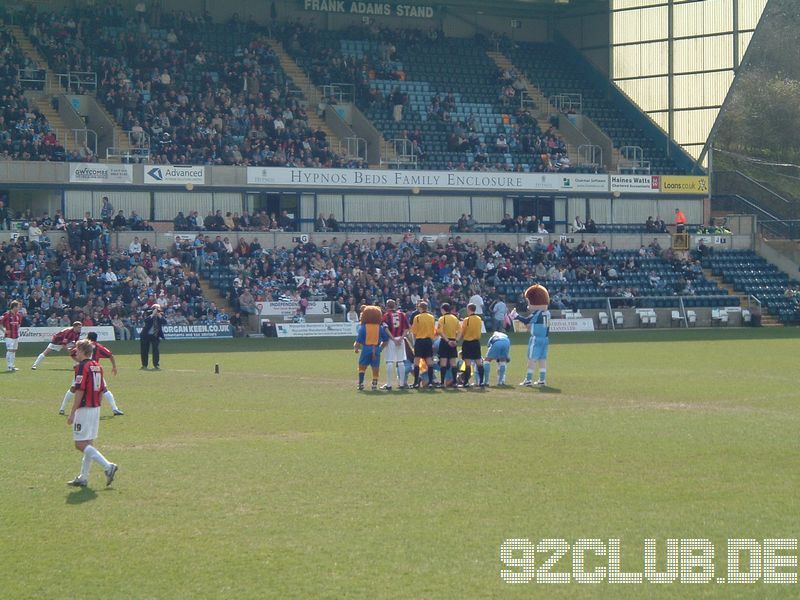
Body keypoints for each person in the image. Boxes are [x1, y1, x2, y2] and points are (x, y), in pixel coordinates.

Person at [66, 339, 118, 488]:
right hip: (95, 408)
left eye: (77, 349)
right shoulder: (97, 366)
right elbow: (101, 389)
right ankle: (83, 477)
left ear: (82, 351)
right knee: (88, 443)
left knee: (80, 444)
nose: (75, 351)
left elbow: (80, 390)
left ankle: (108, 466)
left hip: (84, 409)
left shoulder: (82, 367)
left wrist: (73, 412)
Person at [60, 332, 123, 416]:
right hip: (94, 369)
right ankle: (114, 409)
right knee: (104, 389)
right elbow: (110, 355)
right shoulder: (98, 346)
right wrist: (114, 366)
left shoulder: (83, 346)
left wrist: (79, 361)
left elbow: (72, 353)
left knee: (74, 388)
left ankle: (62, 408)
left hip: (82, 369)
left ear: (87, 337)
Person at [513, 284, 551, 386]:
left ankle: (528, 379)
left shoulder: (537, 313)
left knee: (531, 359)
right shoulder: (547, 313)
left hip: (536, 339)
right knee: (542, 359)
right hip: (545, 338)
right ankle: (542, 379)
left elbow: (527, 320)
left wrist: (516, 316)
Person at [353, 306, 389, 391]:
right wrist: (380, 348)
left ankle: (361, 383)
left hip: (366, 348)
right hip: (376, 349)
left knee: (362, 366)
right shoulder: (379, 327)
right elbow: (386, 340)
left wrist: (356, 348)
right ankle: (374, 384)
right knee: (375, 367)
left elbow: (357, 342)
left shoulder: (364, 328)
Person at [381, 299, 410, 390]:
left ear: (387, 306)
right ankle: (401, 384)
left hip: (391, 340)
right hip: (400, 339)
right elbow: (406, 329)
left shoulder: (386, 316)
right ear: (395, 306)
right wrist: (401, 339)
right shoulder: (402, 314)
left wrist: (393, 339)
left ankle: (389, 384)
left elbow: (386, 328)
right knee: (400, 361)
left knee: (389, 361)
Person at [408, 300, 436, 389]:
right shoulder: (431, 317)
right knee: (429, 361)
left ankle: (416, 382)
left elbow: (414, 331)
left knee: (416, 361)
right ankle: (431, 382)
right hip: (428, 340)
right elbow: (433, 330)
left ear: (420, 308)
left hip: (420, 341)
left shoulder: (417, 317)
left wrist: (415, 341)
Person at [457, 303, 485, 387]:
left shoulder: (467, 320)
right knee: (479, 362)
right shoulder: (479, 319)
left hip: (468, 342)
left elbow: (463, 331)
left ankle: (466, 382)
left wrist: (457, 339)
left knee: (467, 363)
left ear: (469, 309)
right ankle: (481, 382)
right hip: (476, 342)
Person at [435, 302, 460, 387]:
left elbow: (439, 331)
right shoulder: (455, 318)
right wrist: (456, 340)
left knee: (443, 363)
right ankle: (455, 382)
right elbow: (460, 331)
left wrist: (447, 341)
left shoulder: (442, 319)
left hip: (445, 341)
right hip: (453, 341)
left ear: (442, 310)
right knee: (453, 363)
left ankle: (442, 383)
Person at [140, 305, 166, 370]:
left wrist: (159, 315)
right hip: (146, 335)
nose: (158, 311)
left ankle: (156, 365)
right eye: (156, 309)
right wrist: (152, 314)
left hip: (155, 335)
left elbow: (165, 322)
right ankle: (144, 365)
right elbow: (146, 320)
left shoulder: (160, 315)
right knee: (144, 350)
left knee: (156, 350)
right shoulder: (148, 313)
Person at [0, 300, 23, 371]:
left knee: (14, 351)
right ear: (14, 307)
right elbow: (0, 323)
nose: (19, 308)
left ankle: (12, 366)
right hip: (9, 336)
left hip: (16, 335)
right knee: (10, 350)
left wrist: (17, 331)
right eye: (18, 307)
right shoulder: (6, 314)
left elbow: (19, 324)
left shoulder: (19, 315)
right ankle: (8, 366)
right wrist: (4, 331)